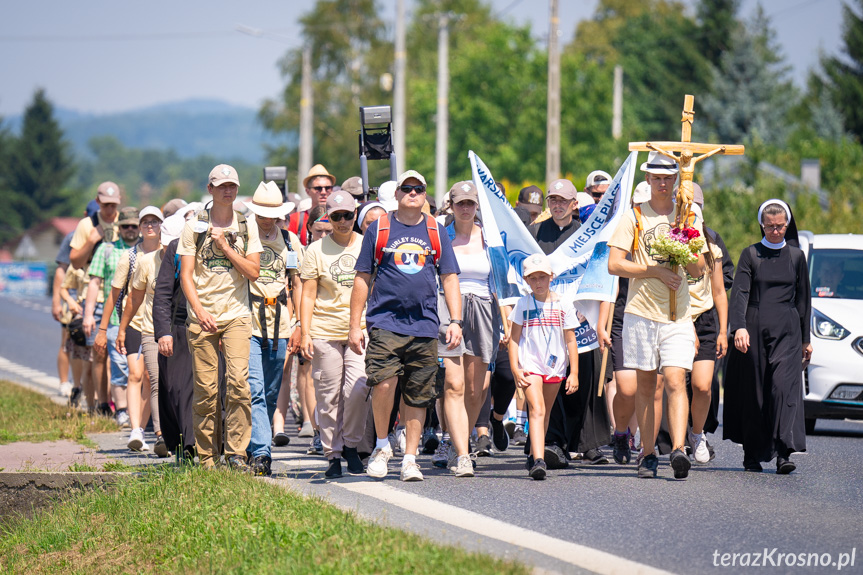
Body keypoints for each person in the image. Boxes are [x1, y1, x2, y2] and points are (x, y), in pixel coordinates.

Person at [349, 170, 462, 482]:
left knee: (418, 394)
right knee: (383, 383)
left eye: (419, 189)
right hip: (385, 321)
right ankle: (383, 446)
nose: (413, 193)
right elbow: (362, 277)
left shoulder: (436, 231)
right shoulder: (381, 228)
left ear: (425, 195)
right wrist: (354, 325)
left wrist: (456, 320)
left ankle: (410, 458)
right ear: (397, 194)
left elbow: (450, 277)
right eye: (407, 188)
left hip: (425, 325)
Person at [607, 151, 707, 480]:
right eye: (657, 177)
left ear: (676, 180)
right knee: (647, 385)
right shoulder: (634, 217)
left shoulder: (687, 216)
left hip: (677, 315)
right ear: (647, 179)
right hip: (641, 313)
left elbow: (699, 267)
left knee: (677, 379)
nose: (663, 183)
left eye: (668, 178)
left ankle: (679, 449)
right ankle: (647, 453)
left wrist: (684, 247)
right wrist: (652, 270)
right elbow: (614, 264)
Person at [178, 164, 263, 471]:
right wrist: (199, 310)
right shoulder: (194, 226)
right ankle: (206, 459)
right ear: (210, 189)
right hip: (203, 316)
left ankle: (237, 454)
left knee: (240, 383)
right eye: (222, 185)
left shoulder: (245, 225)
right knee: (206, 390)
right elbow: (186, 275)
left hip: (237, 314)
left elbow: (254, 272)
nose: (228, 190)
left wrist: (225, 246)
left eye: (233, 186)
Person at [724, 199, 811, 474]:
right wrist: (738, 327)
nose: (775, 231)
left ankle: (783, 452)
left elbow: (804, 300)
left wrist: (806, 339)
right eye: (770, 226)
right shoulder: (751, 254)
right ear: (762, 225)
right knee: (756, 392)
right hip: (755, 327)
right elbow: (739, 293)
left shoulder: (797, 257)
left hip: (788, 330)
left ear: (787, 225)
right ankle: (752, 454)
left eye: (780, 226)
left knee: (782, 388)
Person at [530, 179, 610, 467]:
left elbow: (599, 272)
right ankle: (552, 442)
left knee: (584, 382)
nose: (557, 204)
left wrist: (589, 308)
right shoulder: (535, 233)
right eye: (553, 199)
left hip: (581, 318)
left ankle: (586, 444)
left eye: (563, 200)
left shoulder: (588, 235)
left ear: (575, 204)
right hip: (546, 319)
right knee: (552, 379)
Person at [300, 190, 368, 479]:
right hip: (324, 330)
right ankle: (333, 453)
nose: (342, 222)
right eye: (336, 216)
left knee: (358, 389)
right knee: (328, 395)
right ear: (328, 217)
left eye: (348, 216)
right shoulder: (316, 250)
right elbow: (307, 296)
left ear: (355, 215)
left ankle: (351, 444)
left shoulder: (367, 245)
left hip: (360, 330)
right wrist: (304, 332)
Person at [436, 181, 501, 476]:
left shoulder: (490, 238)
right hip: (452, 309)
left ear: (477, 206)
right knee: (454, 384)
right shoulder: (442, 236)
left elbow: (502, 279)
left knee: (476, 389)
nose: (465, 208)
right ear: (451, 206)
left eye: (470, 203)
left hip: (485, 308)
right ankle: (461, 451)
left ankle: (460, 440)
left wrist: (506, 319)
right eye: (460, 203)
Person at [244, 181, 300, 476]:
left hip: (280, 322)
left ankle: (253, 444)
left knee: (270, 390)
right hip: (248, 320)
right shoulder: (244, 237)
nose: (267, 219)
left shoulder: (290, 240)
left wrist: (300, 323)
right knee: (253, 388)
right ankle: (263, 453)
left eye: (272, 213)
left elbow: (298, 282)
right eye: (262, 213)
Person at [509, 253, 579, 480]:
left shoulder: (563, 304)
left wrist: (574, 372)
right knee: (537, 409)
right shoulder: (523, 303)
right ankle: (539, 460)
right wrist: (515, 368)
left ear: (551, 277)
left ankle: (532, 452)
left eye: (542, 277)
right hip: (530, 364)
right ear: (526, 280)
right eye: (533, 278)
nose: (538, 282)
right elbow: (514, 339)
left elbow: (570, 340)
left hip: (555, 367)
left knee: (545, 412)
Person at [115, 207, 166, 454]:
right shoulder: (132, 257)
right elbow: (119, 295)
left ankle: (146, 429)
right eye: (145, 222)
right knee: (136, 373)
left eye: (154, 221)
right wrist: (114, 329)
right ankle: (136, 429)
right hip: (137, 322)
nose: (149, 226)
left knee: (150, 377)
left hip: (162, 325)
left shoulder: (171, 255)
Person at [86, 207, 141, 422]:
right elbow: (94, 283)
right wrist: (90, 314)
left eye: (134, 226)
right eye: (125, 226)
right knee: (119, 366)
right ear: (119, 228)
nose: (129, 230)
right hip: (114, 320)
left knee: (139, 369)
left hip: (141, 319)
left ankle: (138, 413)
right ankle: (121, 410)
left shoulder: (147, 250)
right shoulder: (106, 250)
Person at [152, 212, 197, 460]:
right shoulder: (175, 249)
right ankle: (182, 444)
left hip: (212, 325)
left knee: (210, 388)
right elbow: (162, 294)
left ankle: (196, 444)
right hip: (178, 326)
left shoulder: (218, 247)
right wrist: (163, 333)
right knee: (176, 389)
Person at [69, 181, 121, 269]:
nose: (109, 210)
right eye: (105, 205)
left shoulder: (127, 225)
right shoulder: (86, 224)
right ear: (97, 201)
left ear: (119, 199)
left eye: (113, 205)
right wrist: (91, 241)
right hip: (91, 281)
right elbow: (76, 264)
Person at [287, 164, 337, 246]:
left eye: (328, 188)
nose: (323, 192)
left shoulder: (338, 218)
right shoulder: (295, 219)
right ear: (307, 191)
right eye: (318, 188)